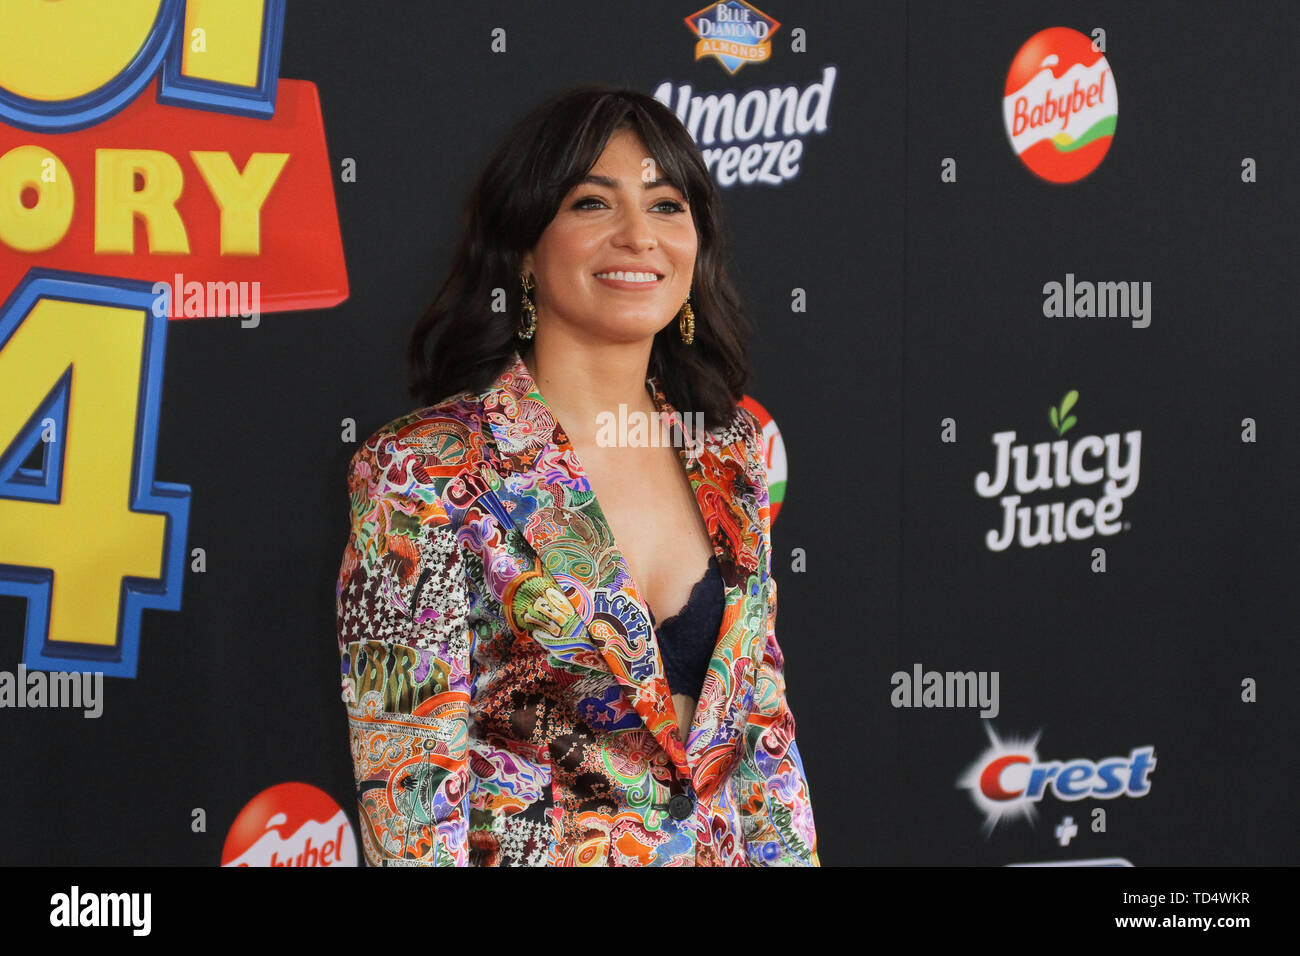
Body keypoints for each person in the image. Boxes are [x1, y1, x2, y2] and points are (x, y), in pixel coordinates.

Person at [335, 84, 818, 866]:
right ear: (526, 246)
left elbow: (762, 740)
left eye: (667, 206)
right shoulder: (420, 470)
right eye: (594, 204)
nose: (638, 236)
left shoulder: (729, 454)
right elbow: (409, 795)